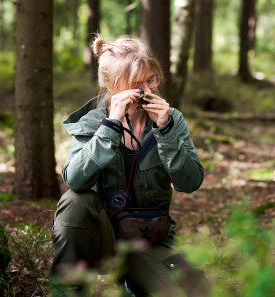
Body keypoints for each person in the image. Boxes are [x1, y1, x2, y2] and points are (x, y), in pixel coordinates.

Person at [50, 34, 210, 297]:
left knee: (196, 292)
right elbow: (75, 180)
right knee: (74, 202)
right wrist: (110, 126)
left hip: (149, 241)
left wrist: (166, 130)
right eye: (137, 85)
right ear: (114, 87)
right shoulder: (92, 122)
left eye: (152, 80)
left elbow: (190, 182)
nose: (148, 91)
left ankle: (132, 284)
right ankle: (68, 290)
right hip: (103, 238)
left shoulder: (171, 119)